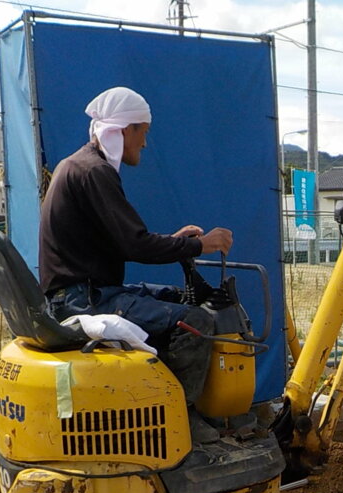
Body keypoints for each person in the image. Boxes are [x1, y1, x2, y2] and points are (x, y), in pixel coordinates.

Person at [39, 86, 233, 442]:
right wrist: (199, 244)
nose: (145, 142)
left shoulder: (80, 166)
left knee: (180, 298)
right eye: (143, 131)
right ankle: (178, 418)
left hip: (84, 291)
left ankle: (158, 400)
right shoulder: (95, 172)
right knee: (197, 320)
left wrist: (179, 242)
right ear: (126, 129)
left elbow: (122, 241)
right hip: (86, 298)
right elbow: (135, 244)